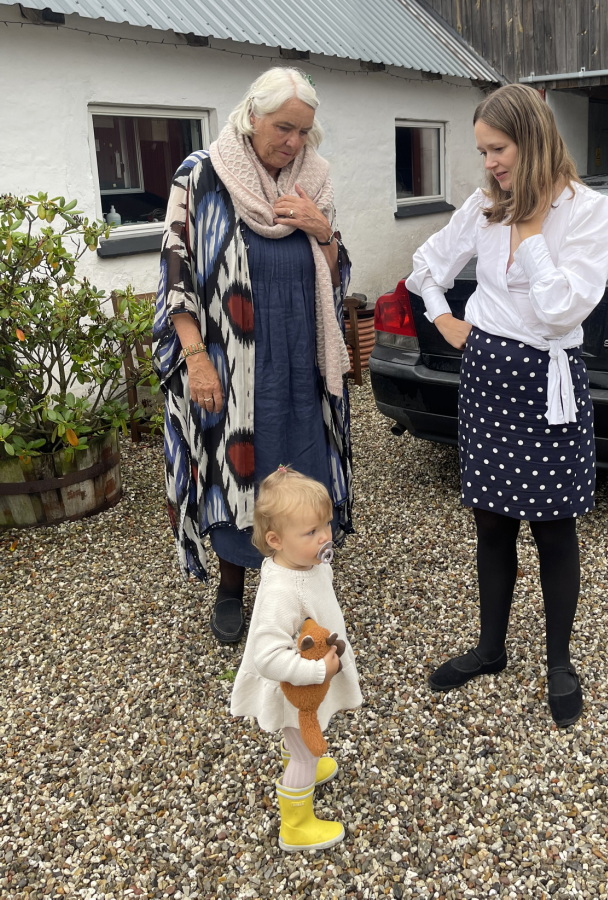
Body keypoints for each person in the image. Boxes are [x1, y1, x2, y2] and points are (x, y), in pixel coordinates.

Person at [406, 84, 608, 727]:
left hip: (548, 383)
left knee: (554, 526)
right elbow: (427, 264)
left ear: (533, 139)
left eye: (498, 149)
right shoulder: (483, 207)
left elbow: (562, 309)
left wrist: (530, 233)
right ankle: (490, 648)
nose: (489, 163)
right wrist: (442, 318)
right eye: (483, 152)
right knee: (491, 521)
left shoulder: (590, 211)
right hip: (487, 377)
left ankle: (560, 662)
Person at [152, 68, 353, 644]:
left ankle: (304, 589)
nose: (293, 141)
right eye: (283, 127)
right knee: (238, 468)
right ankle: (232, 586)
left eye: (303, 131)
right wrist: (195, 357)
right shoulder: (203, 174)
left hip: (302, 358)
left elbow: (336, 275)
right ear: (252, 115)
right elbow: (175, 269)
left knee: (303, 469)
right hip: (233, 360)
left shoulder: (314, 180)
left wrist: (321, 231)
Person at [230, 466, 362, 852]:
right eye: (311, 532)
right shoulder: (282, 591)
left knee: (304, 738)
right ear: (276, 540)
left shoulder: (306, 563)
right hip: (294, 688)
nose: (325, 537)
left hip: (310, 677)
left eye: (326, 524)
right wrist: (319, 670)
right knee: (303, 754)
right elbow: (268, 657)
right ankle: (296, 826)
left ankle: (305, 759)